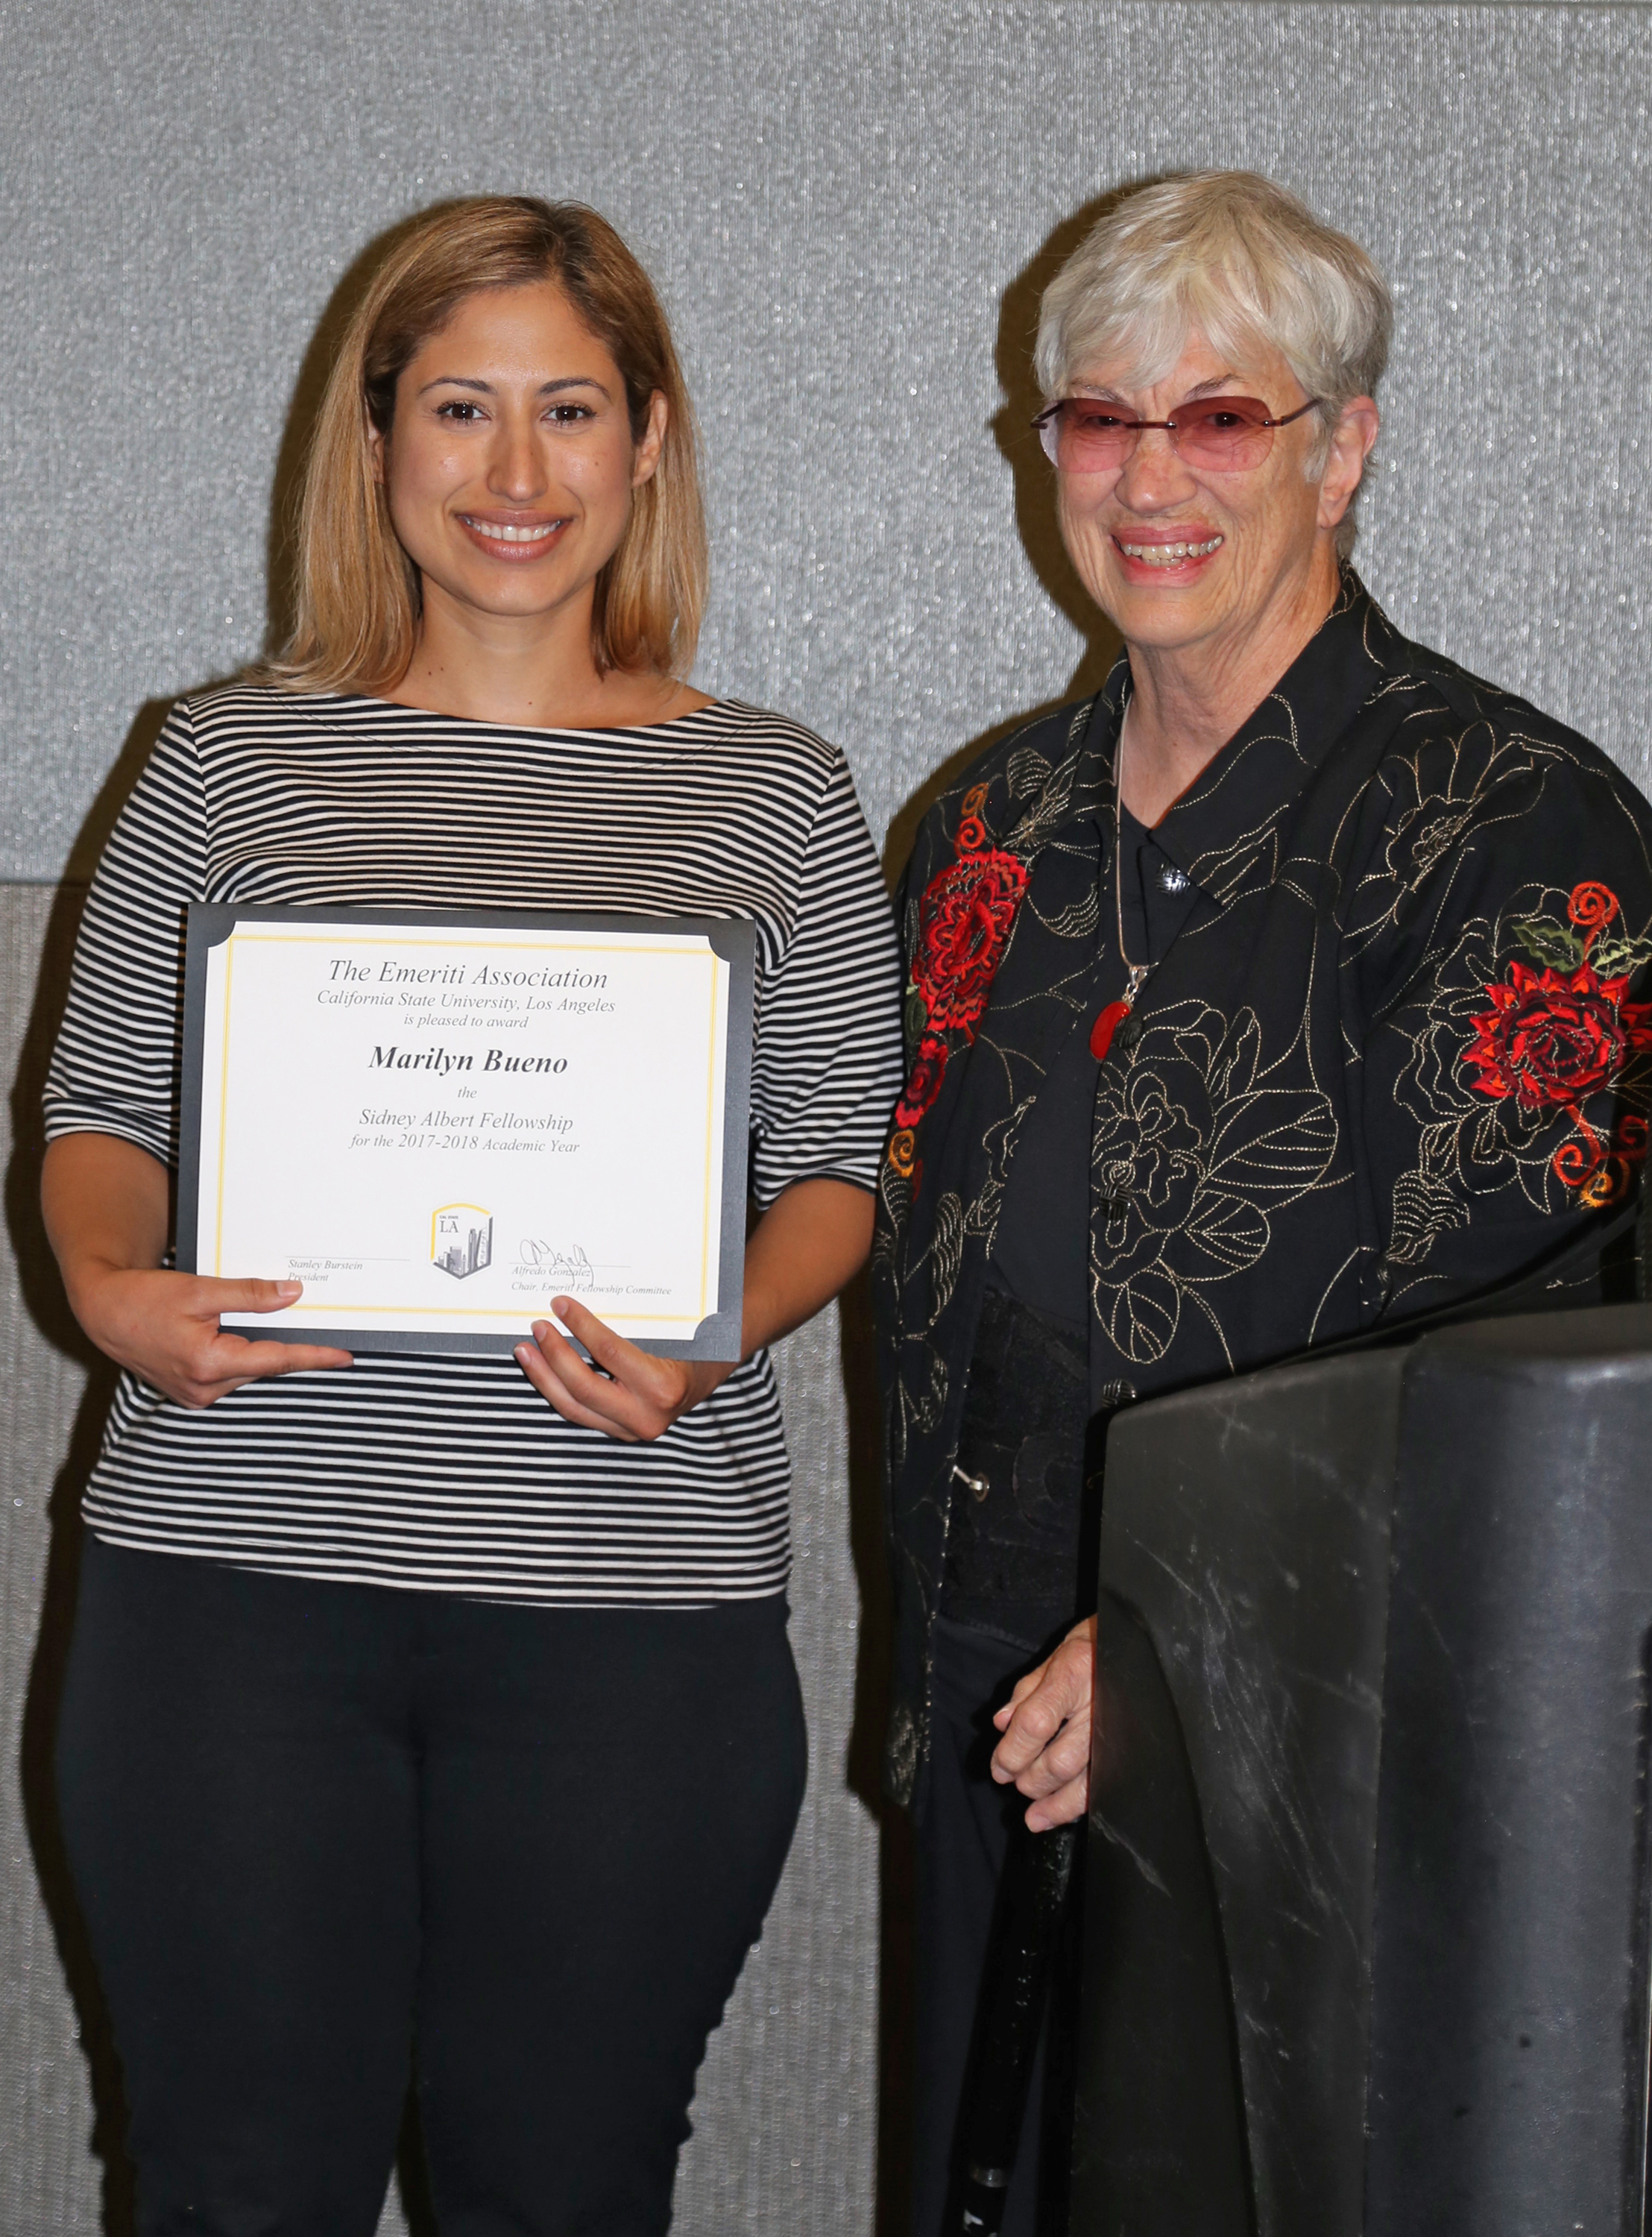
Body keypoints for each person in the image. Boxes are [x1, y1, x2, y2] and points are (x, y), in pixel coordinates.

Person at [42, 195, 904, 2237]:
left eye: (571, 412)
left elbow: (839, 1168)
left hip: (630, 1625)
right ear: (373, 447)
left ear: (650, 444)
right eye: (459, 409)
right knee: (239, 2189)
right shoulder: (219, 759)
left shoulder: (775, 791)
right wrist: (105, 1290)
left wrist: (722, 1331)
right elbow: (92, 1115)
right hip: (233, 1596)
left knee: (566, 2190)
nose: (516, 476)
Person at [872, 169, 1652, 2236]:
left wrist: (1182, 1640)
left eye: (1220, 416)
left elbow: (1511, 1332)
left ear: (1346, 443)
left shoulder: (1513, 826)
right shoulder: (983, 827)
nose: (1151, 479)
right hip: (981, 1655)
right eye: (1100, 419)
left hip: (1318, 1706)